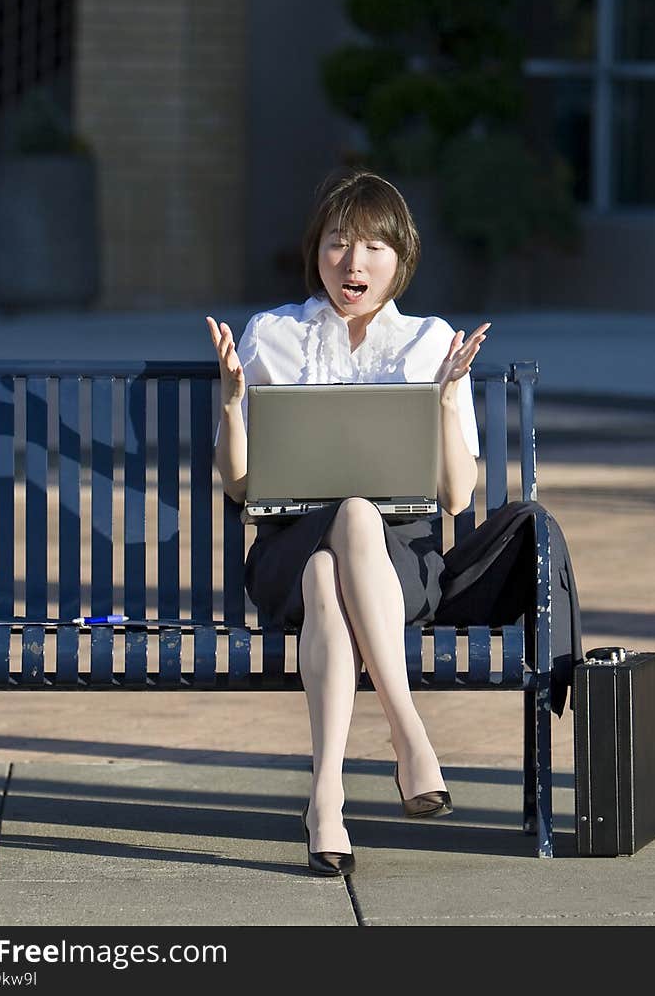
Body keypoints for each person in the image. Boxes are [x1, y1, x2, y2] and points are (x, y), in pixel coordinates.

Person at [206, 167, 492, 876]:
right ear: (317, 251)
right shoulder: (272, 334)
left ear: (403, 258)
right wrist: (233, 404)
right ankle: (409, 736)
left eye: (371, 247)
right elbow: (240, 484)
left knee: (348, 545)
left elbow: (455, 498)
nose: (352, 263)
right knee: (331, 548)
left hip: (400, 565)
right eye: (337, 243)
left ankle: (326, 798)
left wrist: (451, 397)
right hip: (287, 554)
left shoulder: (430, 342)